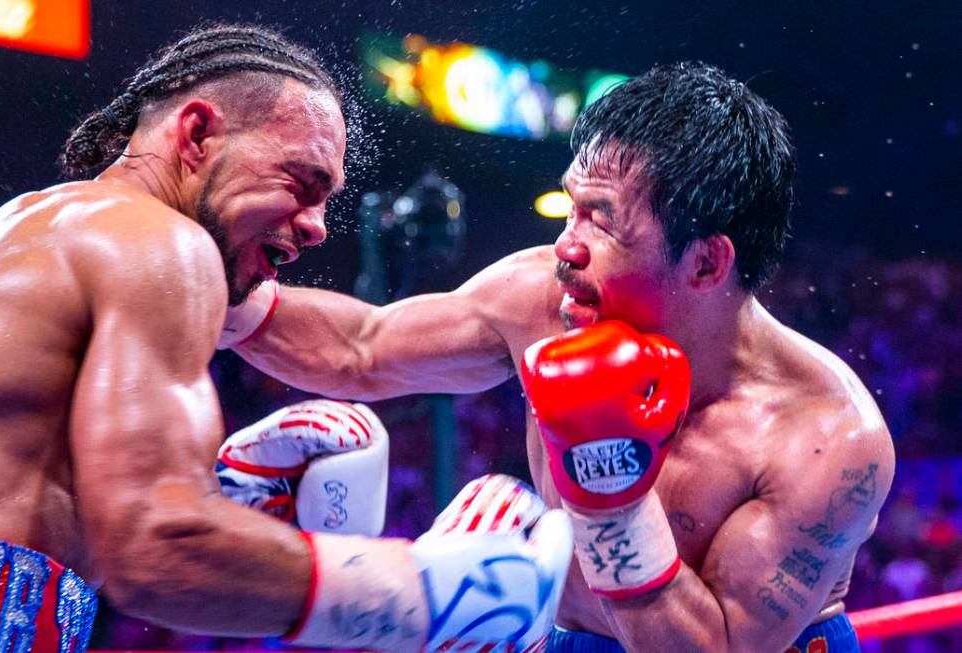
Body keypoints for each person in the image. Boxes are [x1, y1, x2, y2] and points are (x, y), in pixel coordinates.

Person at [223, 62, 896, 652]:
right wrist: (210, 284)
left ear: (706, 261)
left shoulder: (828, 439)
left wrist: (610, 497)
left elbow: (715, 645)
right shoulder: (546, 298)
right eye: (571, 209)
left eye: (601, 220)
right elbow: (360, 349)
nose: (566, 246)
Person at [0, 23, 573, 653]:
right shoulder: (160, 245)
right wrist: (420, 593)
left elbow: (359, 347)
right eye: (301, 182)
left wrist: (221, 498)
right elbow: (151, 547)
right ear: (197, 134)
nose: (319, 228)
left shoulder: (34, 232)